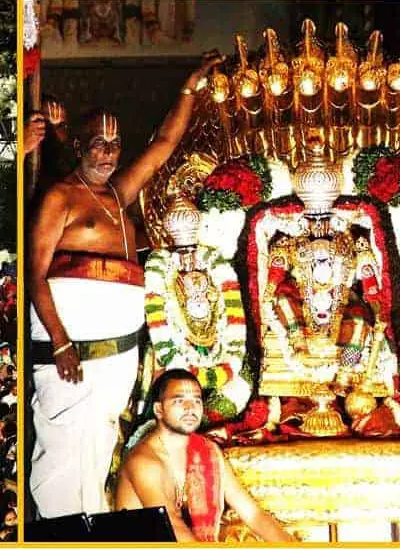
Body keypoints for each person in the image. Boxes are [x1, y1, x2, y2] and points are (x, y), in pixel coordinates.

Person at [28, 51, 223, 519]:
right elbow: (36, 275)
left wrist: (189, 87)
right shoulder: (60, 196)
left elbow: (164, 145)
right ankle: (63, 529)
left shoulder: (120, 193)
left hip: (117, 350)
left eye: (115, 144)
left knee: (101, 446)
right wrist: (59, 343)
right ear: (78, 146)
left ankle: (92, 525)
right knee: (68, 451)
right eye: (98, 143)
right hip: (70, 349)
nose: (109, 152)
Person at [115, 370, 294, 542]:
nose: (190, 408)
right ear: (158, 409)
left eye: (197, 401)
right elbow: (171, 527)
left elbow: (253, 514)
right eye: (179, 401)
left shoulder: (208, 451)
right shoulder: (144, 462)